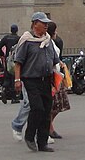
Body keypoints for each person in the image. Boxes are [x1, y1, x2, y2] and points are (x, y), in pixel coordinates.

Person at [12, 11, 58, 153]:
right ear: (34, 24)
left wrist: (59, 75)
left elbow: (55, 60)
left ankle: (42, 142)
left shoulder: (48, 40)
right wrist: (17, 80)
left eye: (46, 23)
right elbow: (18, 62)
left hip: (46, 80)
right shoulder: (27, 40)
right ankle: (30, 136)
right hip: (31, 80)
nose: (46, 26)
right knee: (37, 108)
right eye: (43, 23)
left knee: (46, 111)